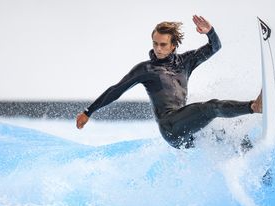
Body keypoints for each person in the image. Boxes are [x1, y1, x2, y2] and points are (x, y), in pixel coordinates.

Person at [76, 15, 262, 149]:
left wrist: (210, 32)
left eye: (163, 44)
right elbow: (116, 90)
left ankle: (258, 168)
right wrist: (88, 111)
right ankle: (254, 106)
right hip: (171, 128)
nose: (158, 48)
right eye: (155, 43)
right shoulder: (146, 69)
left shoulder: (186, 62)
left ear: (173, 45)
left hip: (187, 132)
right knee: (211, 107)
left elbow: (215, 47)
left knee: (229, 135)